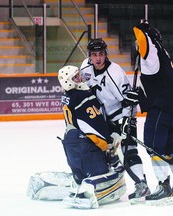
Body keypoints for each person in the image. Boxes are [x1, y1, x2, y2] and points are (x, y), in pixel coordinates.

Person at [27, 65, 127, 209]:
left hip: (71, 146)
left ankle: (73, 181)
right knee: (107, 174)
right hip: (85, 147)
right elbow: (93, 126)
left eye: (79, 74)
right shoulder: (82, 96)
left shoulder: (69, 96)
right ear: (68, 82)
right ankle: (83, 194)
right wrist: (109, 143)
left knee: (80, 177)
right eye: (75, 77)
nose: (80, 78)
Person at [80, 38, 150, 204]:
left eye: (101, 54)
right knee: (105, 153)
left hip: (121, 117)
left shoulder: (115, 72)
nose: (98, 58)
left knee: (128, 152)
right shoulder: (85, 67)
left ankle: (142, 184)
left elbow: (130, 100)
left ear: (106, 55)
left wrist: (128, 121)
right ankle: (109, 184)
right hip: (101, 119)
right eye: (94, 54)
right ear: (89, 56)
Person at [129, 19, 173, 203]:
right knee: (171, 149)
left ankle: (163, 187)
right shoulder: (163, 53)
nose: (137, 46)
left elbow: (142, 38)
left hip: (162, 106)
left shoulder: (151, 52)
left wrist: (142, 28)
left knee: (155, 148)